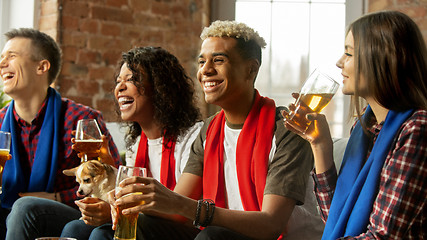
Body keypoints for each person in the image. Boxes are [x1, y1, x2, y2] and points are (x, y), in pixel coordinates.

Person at [103, 20, 315, 240]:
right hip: (222, 235)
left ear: (251, 69)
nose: (206, 70)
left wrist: (178, 204)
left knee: (210, 237)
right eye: (202, 61)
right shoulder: (209, 130)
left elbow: (271, 224)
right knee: (130, 227)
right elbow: (177, 208)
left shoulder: (287, 128)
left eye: (219, 60)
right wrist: (129, 203)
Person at [283, 10, 427, 239]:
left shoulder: (416, 129)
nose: (339, 62)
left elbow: (383, 236)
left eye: (348, 54)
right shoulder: (365, 127)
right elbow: (337, 218)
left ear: (380, 57)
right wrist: (319, 145)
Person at [60, 46, 203, 240]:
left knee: (101, 234)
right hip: (148, 221)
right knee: (75, 230)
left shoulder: (193, 137)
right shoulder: (136, 144)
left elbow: (180, 213)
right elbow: (126, 194)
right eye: (118, 81)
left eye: (131, 79)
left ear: (161, 87)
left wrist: (115, 208)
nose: (119, 88)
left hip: (185, 229)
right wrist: (108, 169)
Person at [0, 28, 121, 240]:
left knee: (23, 207)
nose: (2, 64)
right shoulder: (1, 122)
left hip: (71, 216)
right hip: (8, 213)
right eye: (2, 58)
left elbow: (111, 181)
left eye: (11, 56)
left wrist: (56, 197)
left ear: (42, 67)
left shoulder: (81, 120)